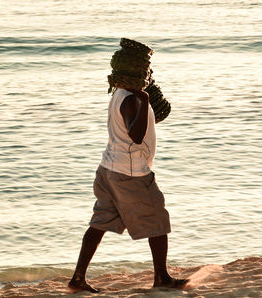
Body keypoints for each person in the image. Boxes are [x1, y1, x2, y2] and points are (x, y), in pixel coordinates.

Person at [67, 62, 188, 293]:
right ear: (135, 74)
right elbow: (136, 135)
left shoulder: (119, 95)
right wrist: (144, 101)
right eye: (146, 72)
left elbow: (136, 123)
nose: (149, 74)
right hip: (130, 173)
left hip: (108, 169)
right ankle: (162, 278)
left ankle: (77, 279)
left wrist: (148, 105)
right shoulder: (133, 100)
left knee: (100, 222)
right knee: (158, 219)